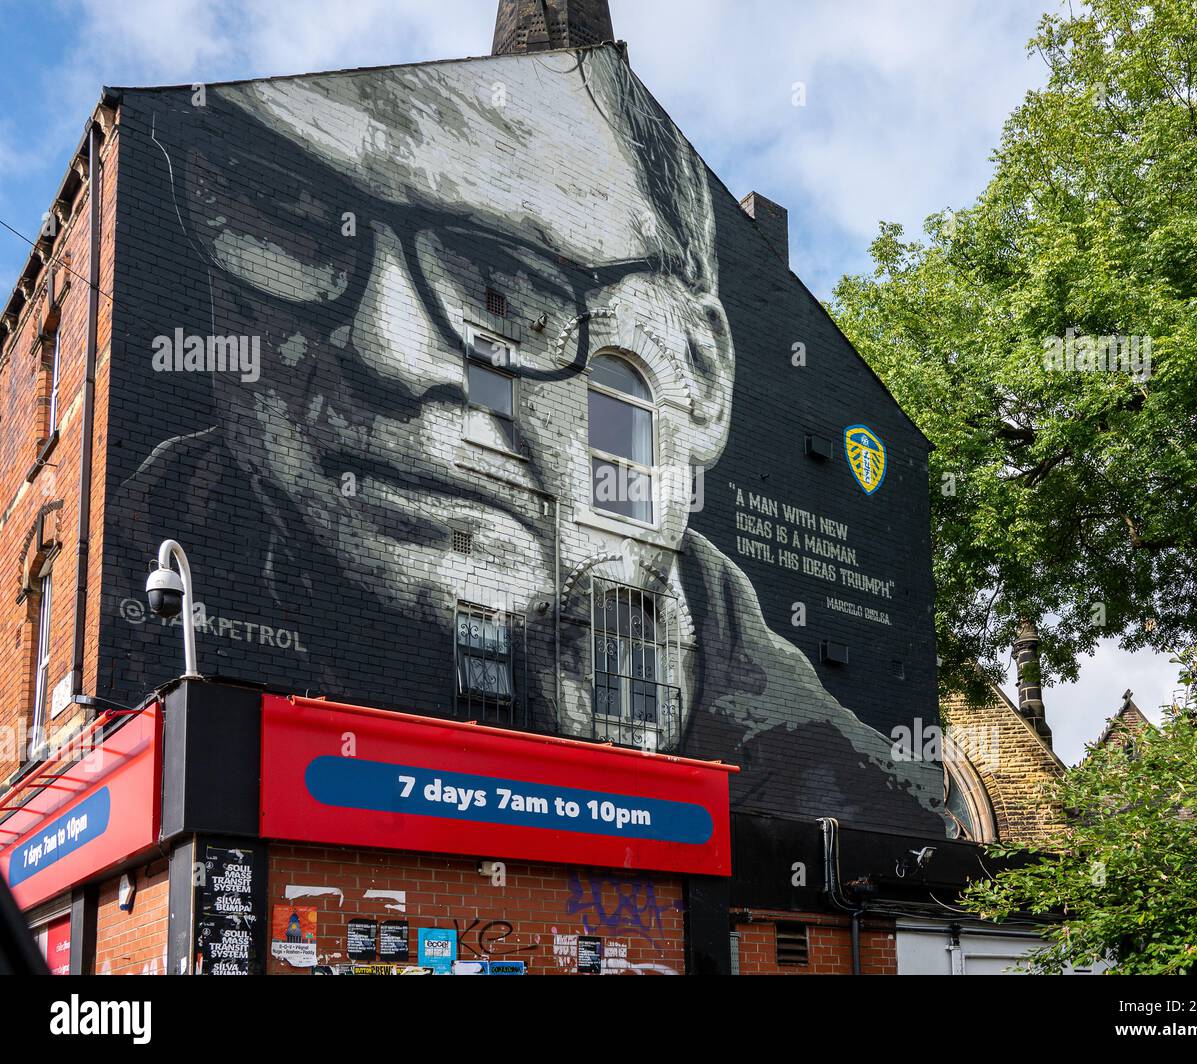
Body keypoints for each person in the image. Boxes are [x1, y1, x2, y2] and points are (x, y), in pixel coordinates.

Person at [118, 47, 944, 834]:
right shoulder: (135, 581)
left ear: (699, 373)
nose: (389, 352)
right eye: (290, 210)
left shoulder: (860, 790)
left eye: (505, 281)